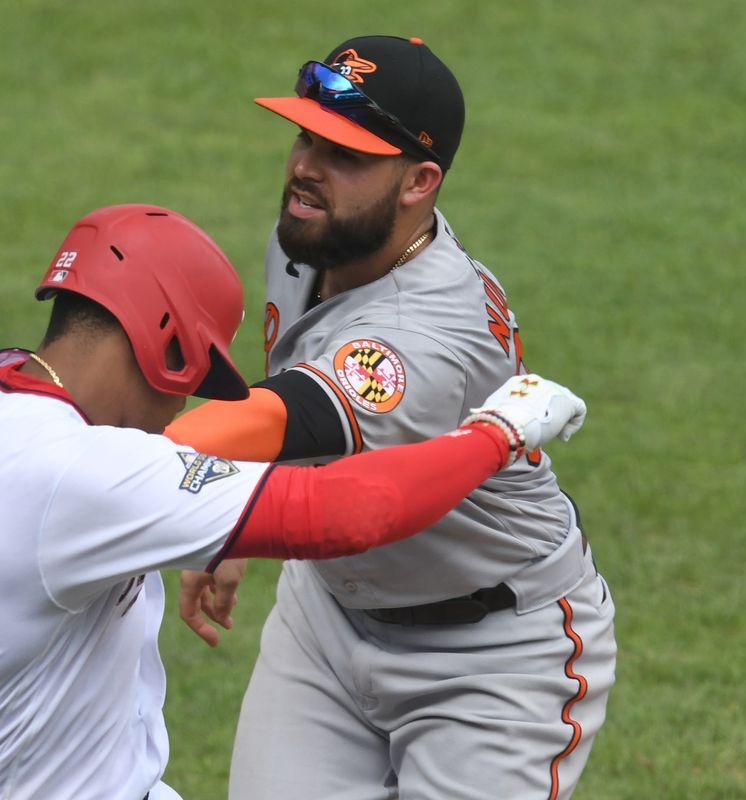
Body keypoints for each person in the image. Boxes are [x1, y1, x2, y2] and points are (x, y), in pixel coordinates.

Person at [0, 204, 587, 800]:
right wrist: (495, 434)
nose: (184, 405)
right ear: (164, 346)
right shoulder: (86, 477)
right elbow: (346, 515)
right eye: (192, 377)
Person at [166, 36, 617, 800]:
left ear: (420, 181)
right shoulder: (319, 233)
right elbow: (275, 402)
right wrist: (230, 512)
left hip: (495, 657)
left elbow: (294, 415)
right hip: (328, 621)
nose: (306, 167)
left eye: (345, 153)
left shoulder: (425, 330)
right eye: (306, 135)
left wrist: (85, 451)